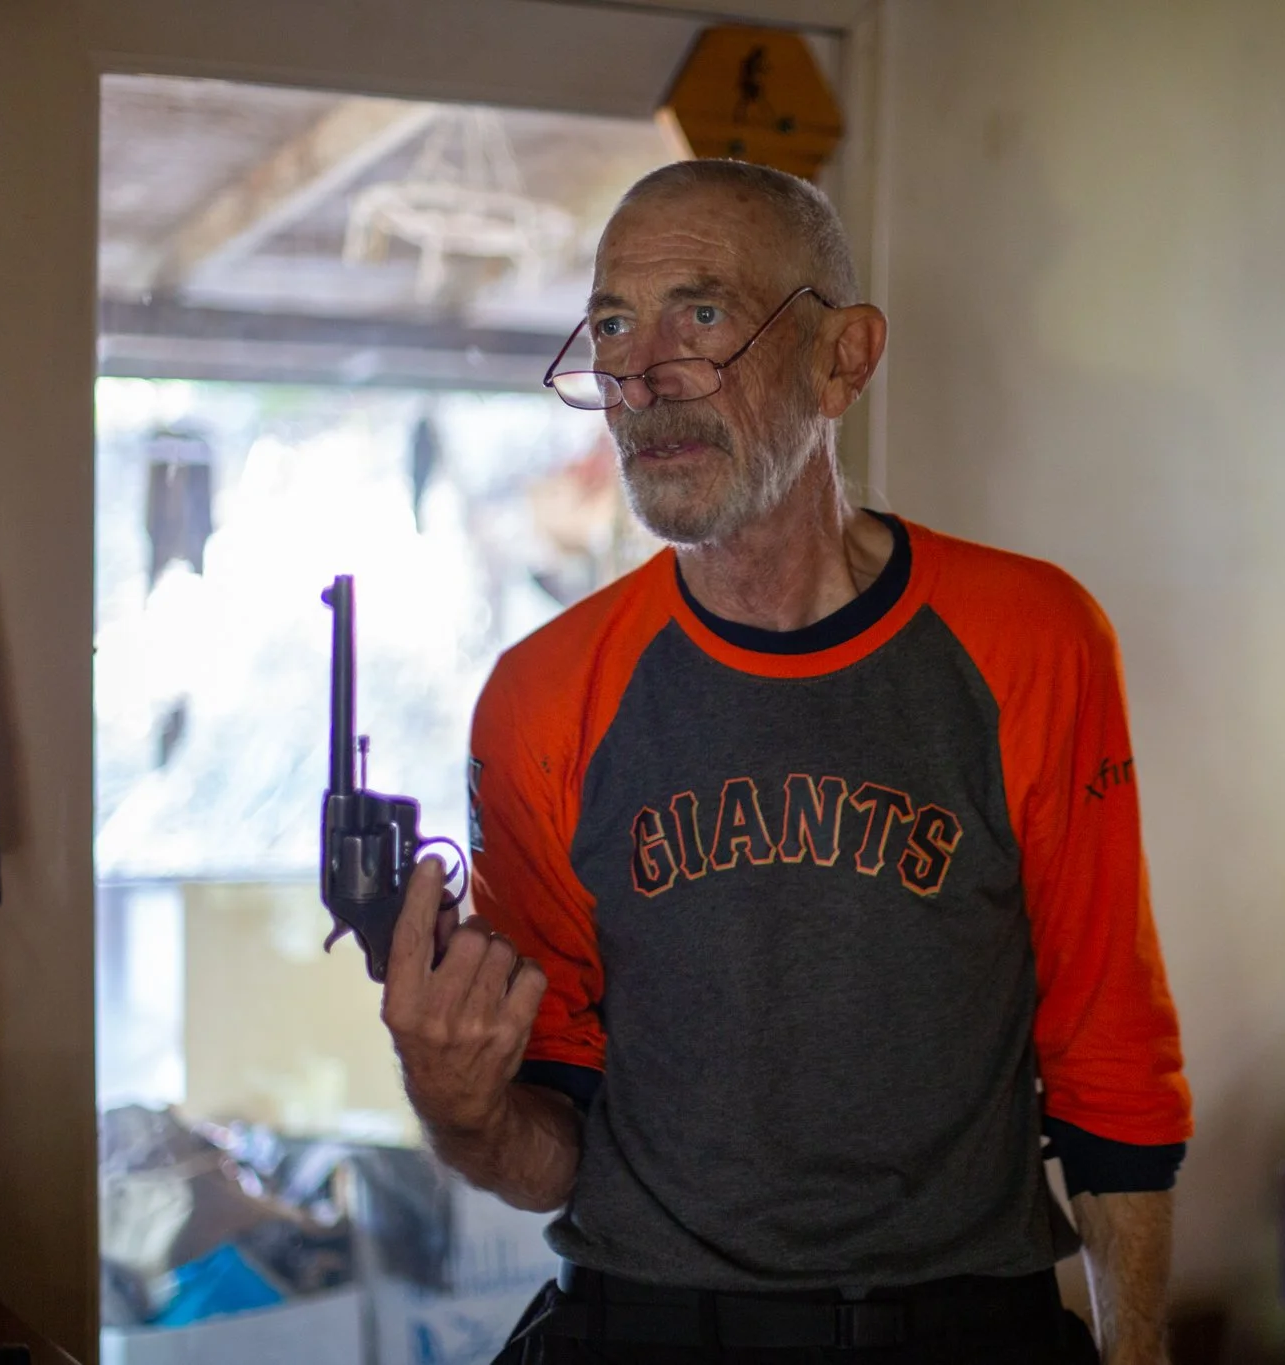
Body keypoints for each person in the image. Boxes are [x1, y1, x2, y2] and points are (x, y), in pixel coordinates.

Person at [378, 159, 1192, 1365]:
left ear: (842, 360)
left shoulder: (1030, 639)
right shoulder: (543, 698)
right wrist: (460, 1110)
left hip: (961, 1328)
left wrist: (1136, 1357)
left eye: (698, 314)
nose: (642, 375)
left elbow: (1107, 1052)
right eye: (611, 324)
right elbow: (554, 1154)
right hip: (642, 1330)